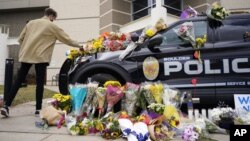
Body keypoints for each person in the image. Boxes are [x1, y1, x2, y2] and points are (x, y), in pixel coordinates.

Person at [1, 8, 82, 117]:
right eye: (53, 19)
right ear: (52, 16)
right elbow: (67, 39)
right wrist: (81, 46)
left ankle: (6, 106)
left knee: (18, 81)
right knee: (40, 83)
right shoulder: (52, 26)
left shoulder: (30, 23)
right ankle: (38, 109)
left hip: (26, 55)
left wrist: (28, 46)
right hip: (41, 57)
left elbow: (20, 39)